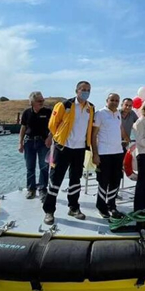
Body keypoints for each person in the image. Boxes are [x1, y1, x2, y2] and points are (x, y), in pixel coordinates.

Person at [43, 81, 95, 225]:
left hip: (79, 149)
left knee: (75, 180)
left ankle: (73, 207)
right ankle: (49, 211)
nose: (85, 92)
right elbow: (52, 124)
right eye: (83, 89)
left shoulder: (90, 108)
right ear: (76, 90)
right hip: (63, 148)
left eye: (88, 90)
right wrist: (60, 139)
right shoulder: (64, 105)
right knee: (55, 179)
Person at [91, 93, 125, 220]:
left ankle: (112, 206)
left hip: (118, 153)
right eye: (112, 100)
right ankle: (101, 207)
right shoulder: (100, 114)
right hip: (104, 153)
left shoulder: (118, 114)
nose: (115, 102)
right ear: (107, 100)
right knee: (103, 181)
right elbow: (93, 135)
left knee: (115, 181)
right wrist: (95, 154)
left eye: (117, 100)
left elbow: (119, 130)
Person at [18, 91, 52, 200]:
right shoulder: (27, 113)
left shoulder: (48, 112)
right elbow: (23, 128)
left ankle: (43, 189)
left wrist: (50, 137)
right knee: (30, 167)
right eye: (39, 101)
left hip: (43, 142)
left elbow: (54, 126)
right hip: (29, 142)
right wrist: (20, 143)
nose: (42, 102)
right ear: (32, 102)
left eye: (43, 100)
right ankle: (31, 189)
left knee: (44, 167)